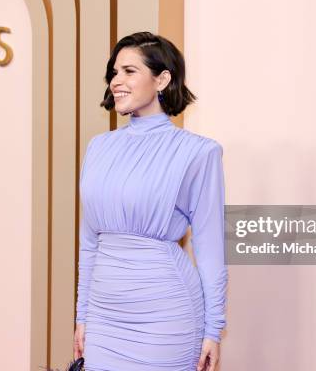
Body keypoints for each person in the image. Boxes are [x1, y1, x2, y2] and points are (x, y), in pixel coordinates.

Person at [72, 31, 227, 371]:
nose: (116, 81)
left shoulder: (199, 152)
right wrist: (82, 315)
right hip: (104, 314)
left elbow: (210, 246)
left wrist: (213, 329)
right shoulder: (98, 147)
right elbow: (88, 242)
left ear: (162, 79)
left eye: (129, 71)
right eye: (114, 73)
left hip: (165, 313)